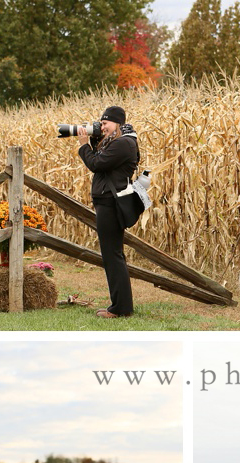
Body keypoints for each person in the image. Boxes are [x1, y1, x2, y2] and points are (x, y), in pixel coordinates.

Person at [77, 106, 140, 318]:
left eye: (105, 123)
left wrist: (83, 146)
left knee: (113, 256)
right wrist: (95, 140)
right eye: (101, 123)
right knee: (112, 255)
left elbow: (96, 163)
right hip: (107, 202)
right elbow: (103, 161)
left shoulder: (124, 143)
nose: (102, 127)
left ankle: (121, 309)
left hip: (111, 204)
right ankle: (120, 306)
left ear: (118, 123)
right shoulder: (118, 142)